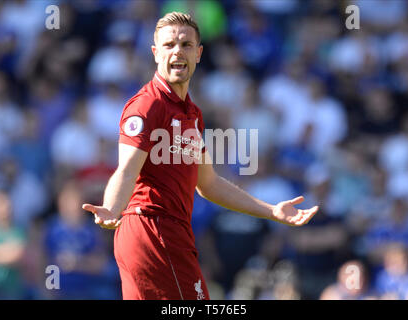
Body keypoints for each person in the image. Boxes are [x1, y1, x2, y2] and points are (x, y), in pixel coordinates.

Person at [82, 12, 319, 300]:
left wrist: (271, 211)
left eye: (185, 44)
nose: (177, 51)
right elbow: (127, 169)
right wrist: (111, 206)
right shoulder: (147, 105)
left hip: (171, 234)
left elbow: (208, 184)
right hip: (153, 231)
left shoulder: (192, 113)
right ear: (156, 53)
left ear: (199, 54)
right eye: (169, 45)